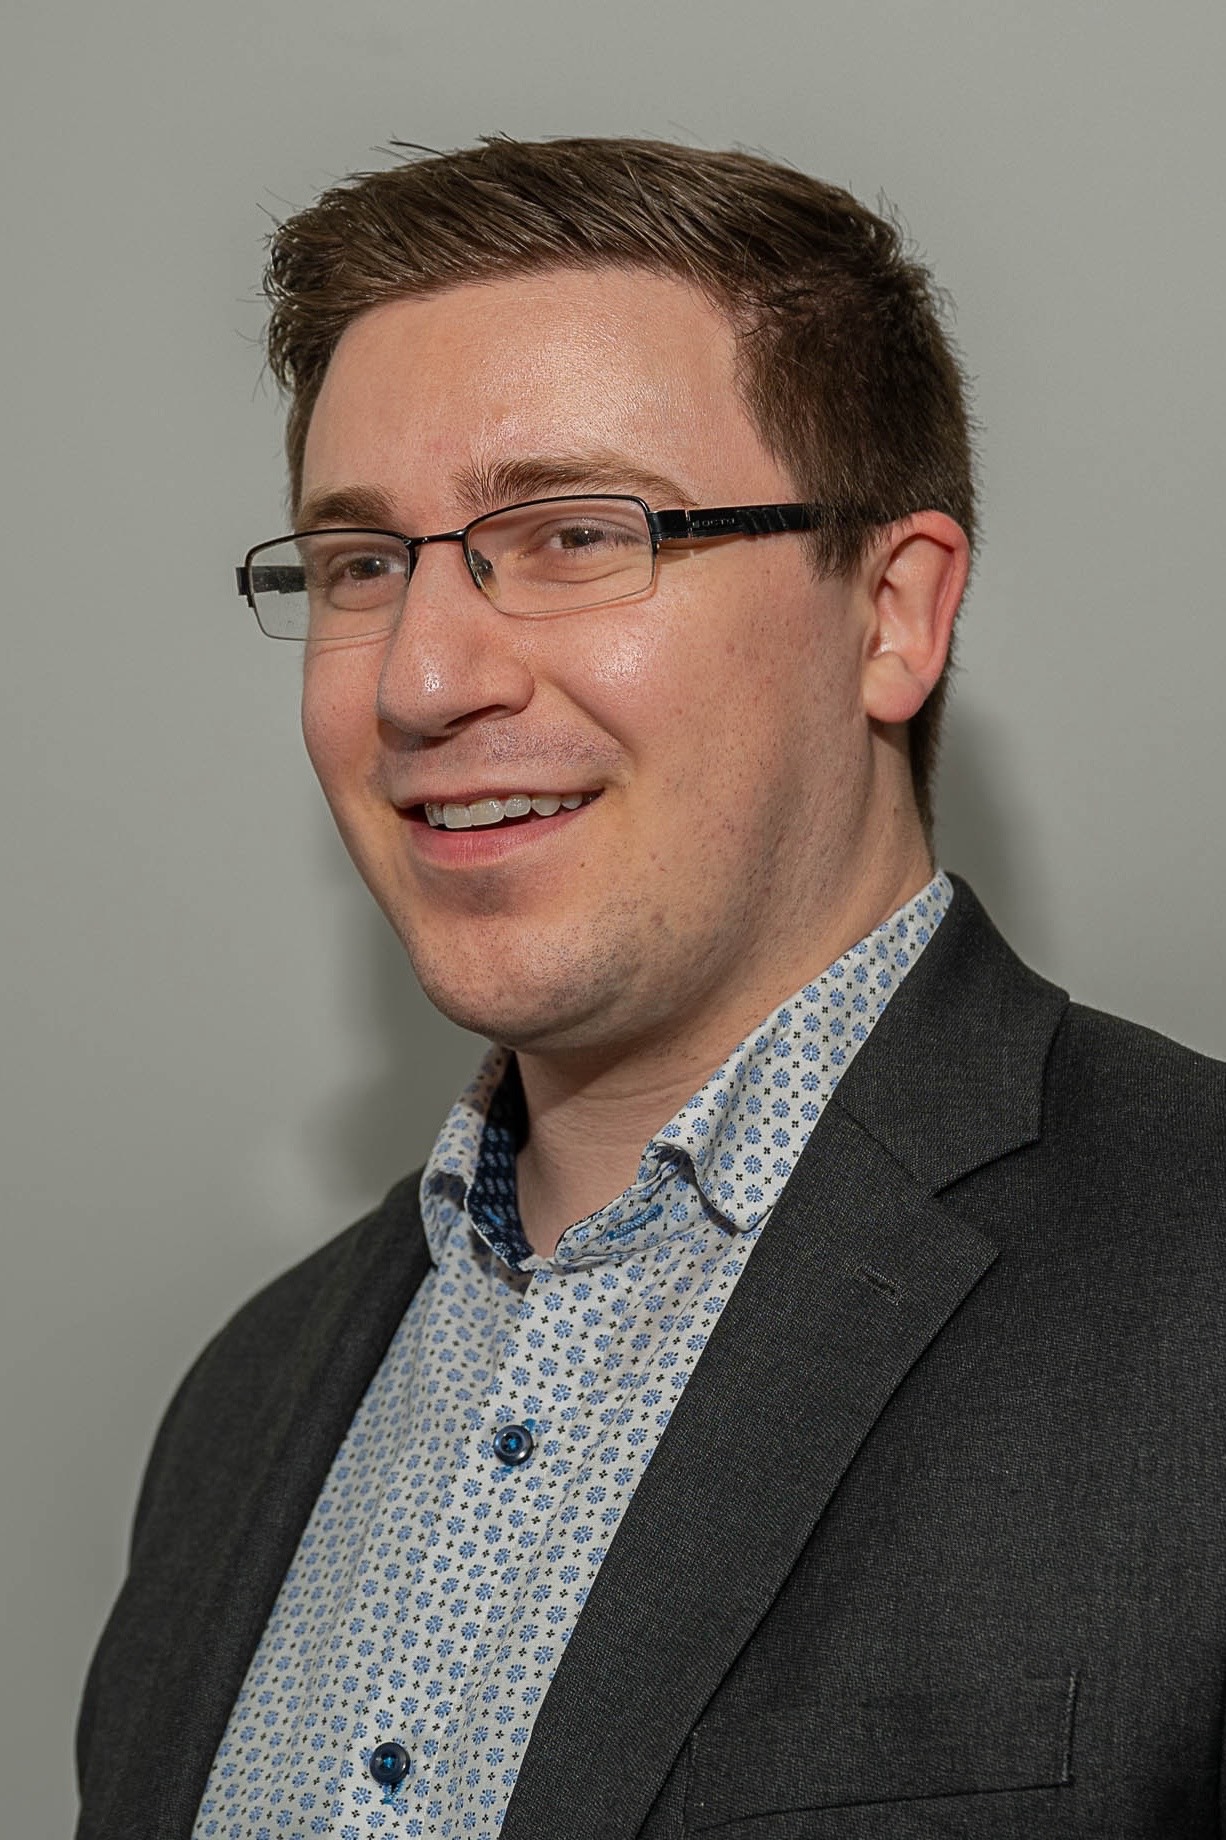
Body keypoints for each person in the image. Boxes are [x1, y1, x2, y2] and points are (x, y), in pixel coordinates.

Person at [76, 136, 1226, 1840]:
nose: (424, 674)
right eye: (358, 564)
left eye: (570, 535)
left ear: (890, 616)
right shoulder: (240, 1405)